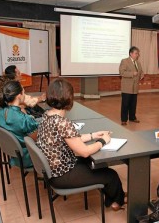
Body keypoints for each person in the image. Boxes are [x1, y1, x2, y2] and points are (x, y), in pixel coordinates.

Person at [36, 78, 125, 211]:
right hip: (62, 174)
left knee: (100, 165)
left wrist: (93, 135)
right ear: (69, 99)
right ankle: (117, 202)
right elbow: (84, 151)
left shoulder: (47, 115)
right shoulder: (62, 122)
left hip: (54, 169)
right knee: (111, 174)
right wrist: (103, 141)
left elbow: (71, 139)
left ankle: (113, 197)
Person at [0, 80, 38, 167]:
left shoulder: (0, 112)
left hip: (14, 153)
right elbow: (36, 138)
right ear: (19, 96)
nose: (25, 94)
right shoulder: (23, 119)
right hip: (28, 156)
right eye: (24, 92)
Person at [119, 46, 144, 126]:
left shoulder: (138, 63)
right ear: (131, 53)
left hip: (135, 87)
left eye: (138, 53)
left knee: (133, 104)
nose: (137, 55)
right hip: (127, 87)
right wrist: (132, 73)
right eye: (136, 53)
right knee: (125, 104)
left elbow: (140, 71)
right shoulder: (124, 61)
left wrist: (142, 75)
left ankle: (132, 117)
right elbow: (122, 73)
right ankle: (124, 119)